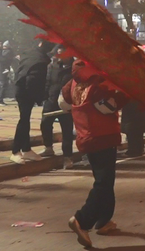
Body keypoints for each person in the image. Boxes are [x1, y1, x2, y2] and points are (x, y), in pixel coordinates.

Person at [62, 59, 129, 249]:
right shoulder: (97, 84)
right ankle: (82, 219)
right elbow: (107, 106)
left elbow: (64, 102)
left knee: (105, 180)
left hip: (85, 137)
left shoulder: (73, 82)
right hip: (102, 137)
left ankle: (104, 220)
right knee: (103, 182)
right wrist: (125, 95)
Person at [10, 40, 53, 164]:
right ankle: (15, 151)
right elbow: (34, 80)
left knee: (25, 119)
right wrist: (38, 98)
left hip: (20, 87)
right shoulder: (42, 60)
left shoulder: (28, 53)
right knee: (24, 120)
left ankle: (26, 149)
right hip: (25, 90)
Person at [41, 47, 75, 167]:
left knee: (66, 129)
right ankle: (48, 147)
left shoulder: (74, 68)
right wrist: (45, 96)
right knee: (45, 122)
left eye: (62, 54)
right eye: (58, 54)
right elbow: (47, 81)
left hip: (66, 102)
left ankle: (67, 157)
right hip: (52, 99)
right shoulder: (53, 66)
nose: (59, 56)